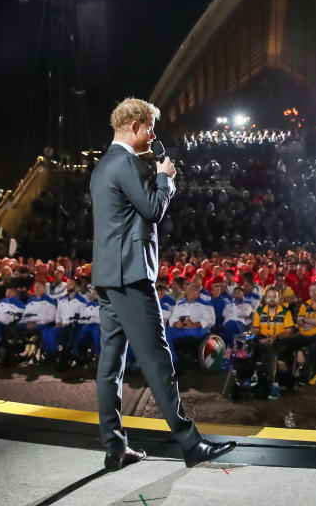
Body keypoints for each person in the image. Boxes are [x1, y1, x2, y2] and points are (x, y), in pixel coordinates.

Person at [90, 97, 234, 471]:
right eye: (151, 127)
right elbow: (153, 209)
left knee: (110, 368)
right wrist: (165, 178)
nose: (154, 135)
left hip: (109, 276)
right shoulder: (126, 163)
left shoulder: (103, 165)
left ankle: (115, 448)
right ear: (134, 126)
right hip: (131, 275)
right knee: (158, 361)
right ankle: (190, 444)